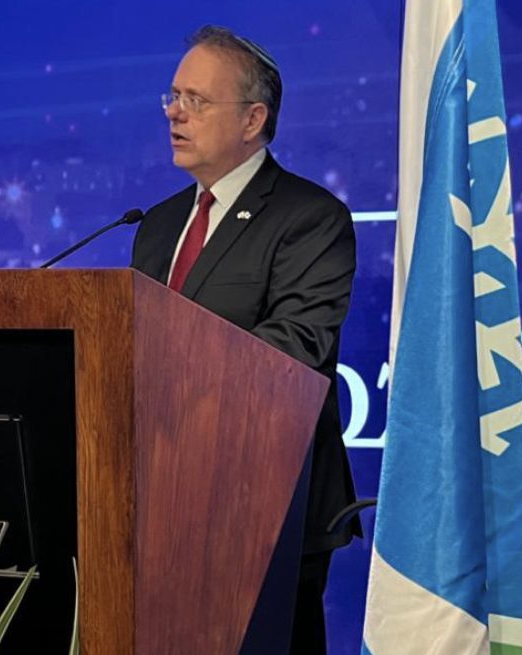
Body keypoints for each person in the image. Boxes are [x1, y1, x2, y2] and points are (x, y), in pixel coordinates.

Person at [130, 25, 360, 654]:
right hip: (161, 505)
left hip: (267, 506)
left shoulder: (310, 218)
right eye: (173, 97)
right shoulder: (157, 225)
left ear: (253, 119)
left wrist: (170, 377)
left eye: (197, 100)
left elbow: (294, 349)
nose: (175, 113)